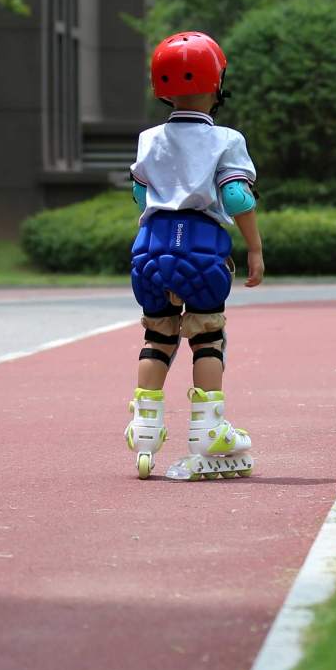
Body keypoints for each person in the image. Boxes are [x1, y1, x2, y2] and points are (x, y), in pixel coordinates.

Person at [122, 31, 265, 479]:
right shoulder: (226, 139)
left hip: (150, 248)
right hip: (202, 247)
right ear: (217, 83)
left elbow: (139, 194)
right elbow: (237, 197)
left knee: (158, 334)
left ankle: (145, 430)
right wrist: (255, 248)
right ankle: (208, 428)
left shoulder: (149, 139)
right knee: (207, 336)